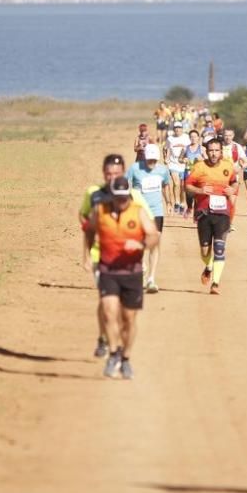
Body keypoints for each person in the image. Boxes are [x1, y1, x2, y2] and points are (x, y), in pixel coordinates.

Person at [84, 176, 160, 380]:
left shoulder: (138, 211)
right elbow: (89, 229)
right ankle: (113, 353)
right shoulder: (101, 210)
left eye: (124, 198)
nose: (121, 202)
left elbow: (154, 234)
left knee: (128, 319)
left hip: (132, 272)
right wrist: (88, 253)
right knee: (109, 312)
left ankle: (125, 357)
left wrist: (142, 245)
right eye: (117, 198)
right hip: (108, 269)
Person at [79, 154, 152, 358]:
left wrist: (141, 247)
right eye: (108, 174)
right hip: (100, 256)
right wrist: (88, 242)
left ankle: (116, 343)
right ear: (103, 173)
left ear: (123, 174)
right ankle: (104, 340)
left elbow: (149, 227)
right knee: (107, 304)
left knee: (123, 310)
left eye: (117, 174)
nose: (112, 178)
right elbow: (84, 216)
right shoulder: (93, 194)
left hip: (129, 261)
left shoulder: (134, 196)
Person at [184, 138, 238, 294]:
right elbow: (187, 186)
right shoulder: (199, 167)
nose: (214, 153)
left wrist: (232, 189)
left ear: (221, 151)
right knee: (205, 251)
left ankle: (215, 283)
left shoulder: (228, 166)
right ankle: (208, 266)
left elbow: (234, 182)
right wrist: (200, 191)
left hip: (223, 213)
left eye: (216, 150)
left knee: (220, 249)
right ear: (206, 152)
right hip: (204, 212)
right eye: (211, 150)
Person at [125, 143, 171, 293]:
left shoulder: (163, 170)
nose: (151, 163)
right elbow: (125, 184)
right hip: (139, 211)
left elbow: (165, 185)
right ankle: (141, 265)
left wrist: (169, 202)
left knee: (155, 243)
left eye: (154, 160)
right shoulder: (135, 168)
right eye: (149, 160)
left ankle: (151, 279)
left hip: (157, 211)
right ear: (145, 157)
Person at [164, 122, 190, 216]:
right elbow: (166, 148)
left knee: (183, 185)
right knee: (176, 183)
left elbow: (190, 149)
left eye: (179, 128)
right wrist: (166, 158)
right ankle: (177, 202)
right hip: (173, 164)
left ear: (182, 129)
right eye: (176, 128)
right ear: (173, 129)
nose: (177, 130)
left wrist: (189, 158)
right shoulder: (170, 138)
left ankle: (183, 203)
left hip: (184, 165)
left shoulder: (187, 138)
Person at [181, 129, 206, 220]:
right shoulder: (185, 148)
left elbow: (208, 161)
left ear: (198, 138)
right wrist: (183, 160)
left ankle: (196, 214)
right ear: (189, 138)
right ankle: (189, 207)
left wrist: (202, 159)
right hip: (188, 173)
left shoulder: (202, 149)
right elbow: (180, 159)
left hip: (199, 174)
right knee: (188, 193)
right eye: (191, 137)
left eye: (195, 137)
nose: (193, 138)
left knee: (197, 194)